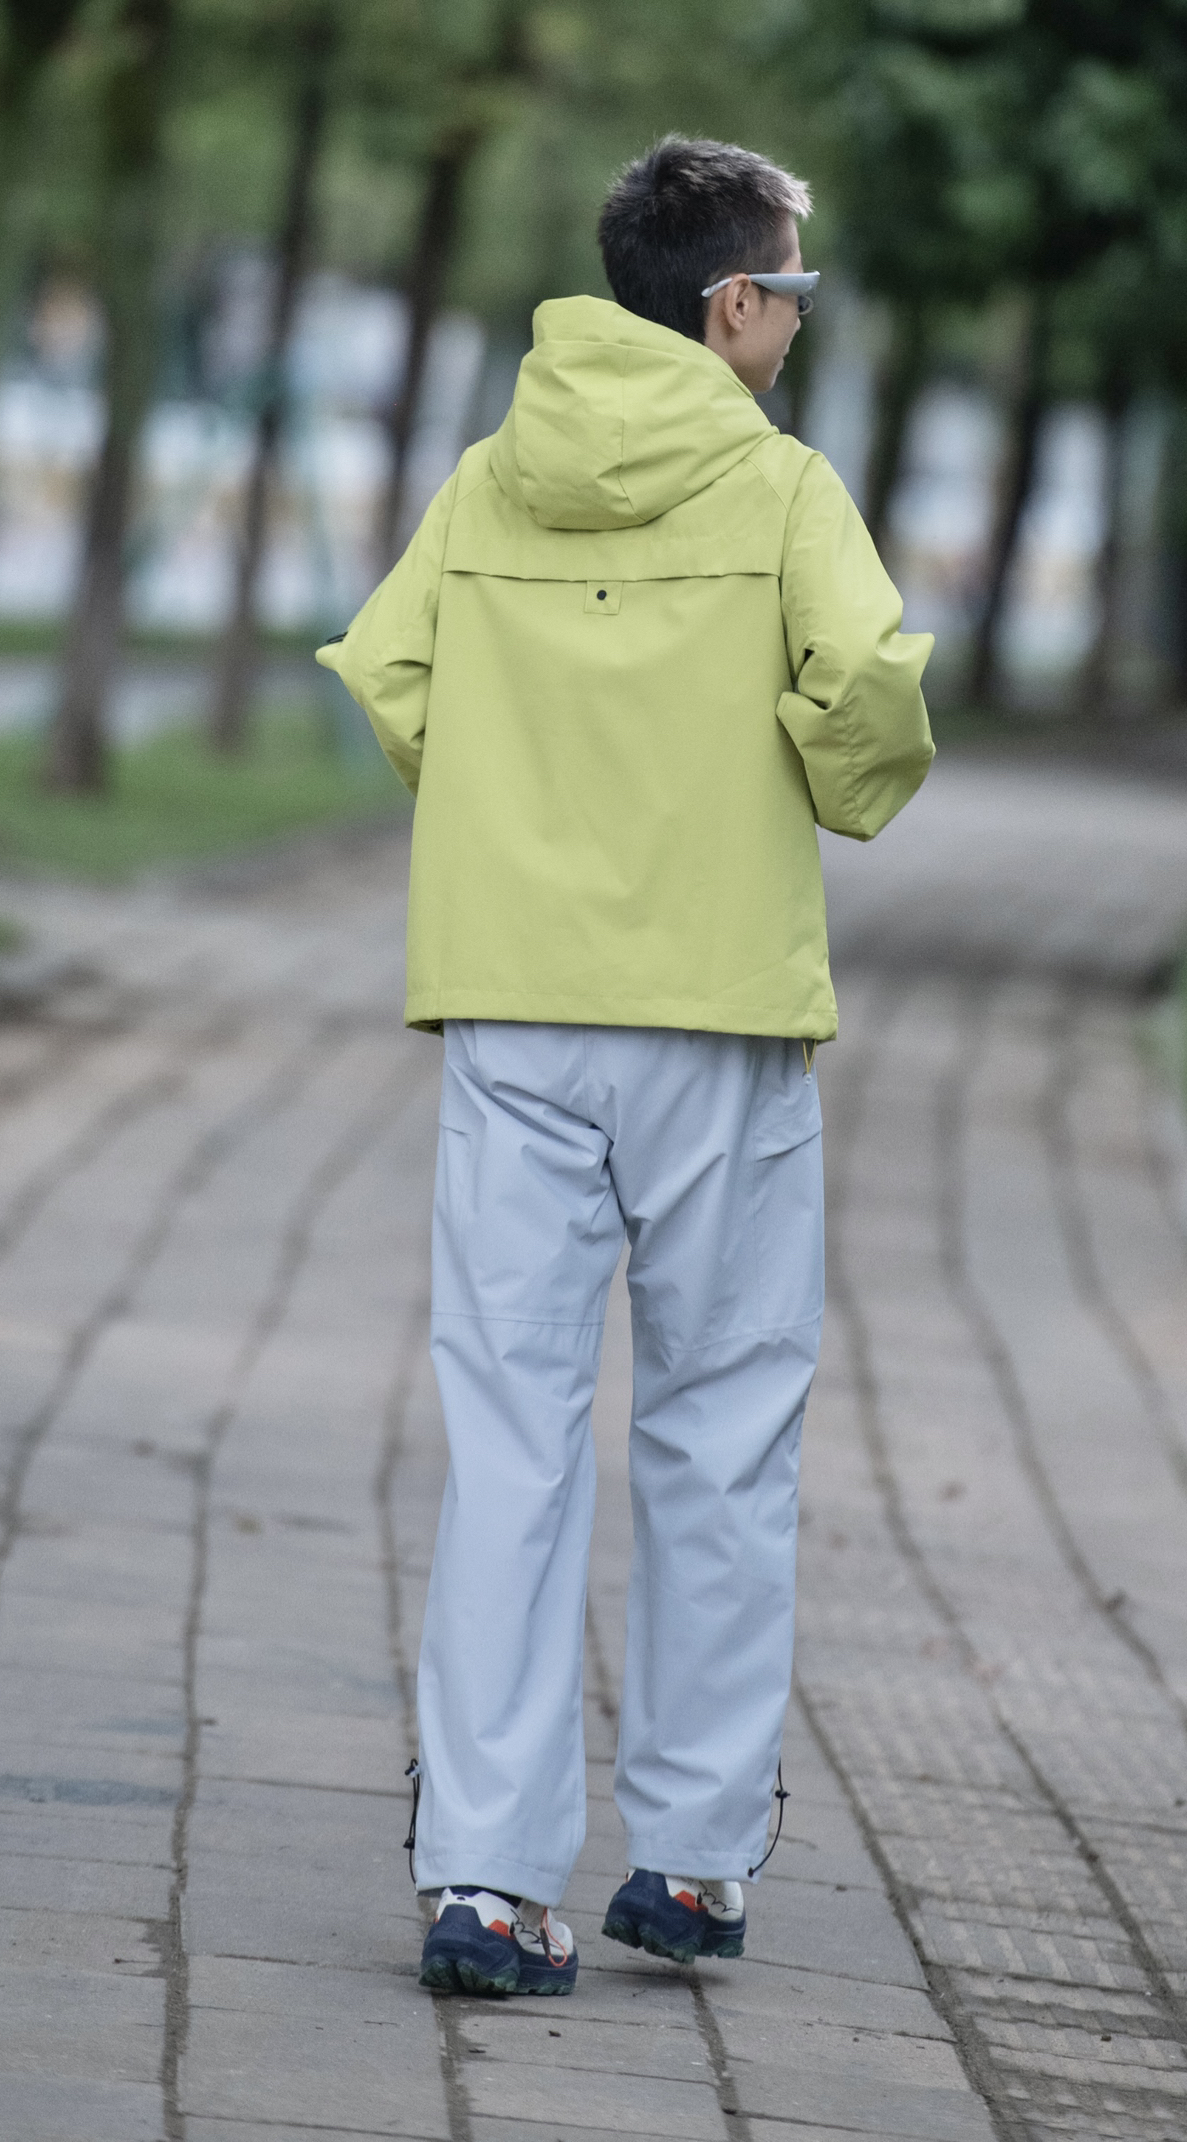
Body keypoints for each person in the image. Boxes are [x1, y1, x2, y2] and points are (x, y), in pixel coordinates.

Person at [318, 135, 934, 1999]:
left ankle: (487, 1883)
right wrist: (818, 775)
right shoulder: (782, 487)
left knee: (512, 1439)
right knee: (719, 1431)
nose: (799, 324)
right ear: (731, 304)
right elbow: (868, 697)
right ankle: (688, 1856)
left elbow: (388, 674)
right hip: (717, 1019)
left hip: (514, 1009)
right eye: (793, 292)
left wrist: (515, 810)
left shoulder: (488, 475)